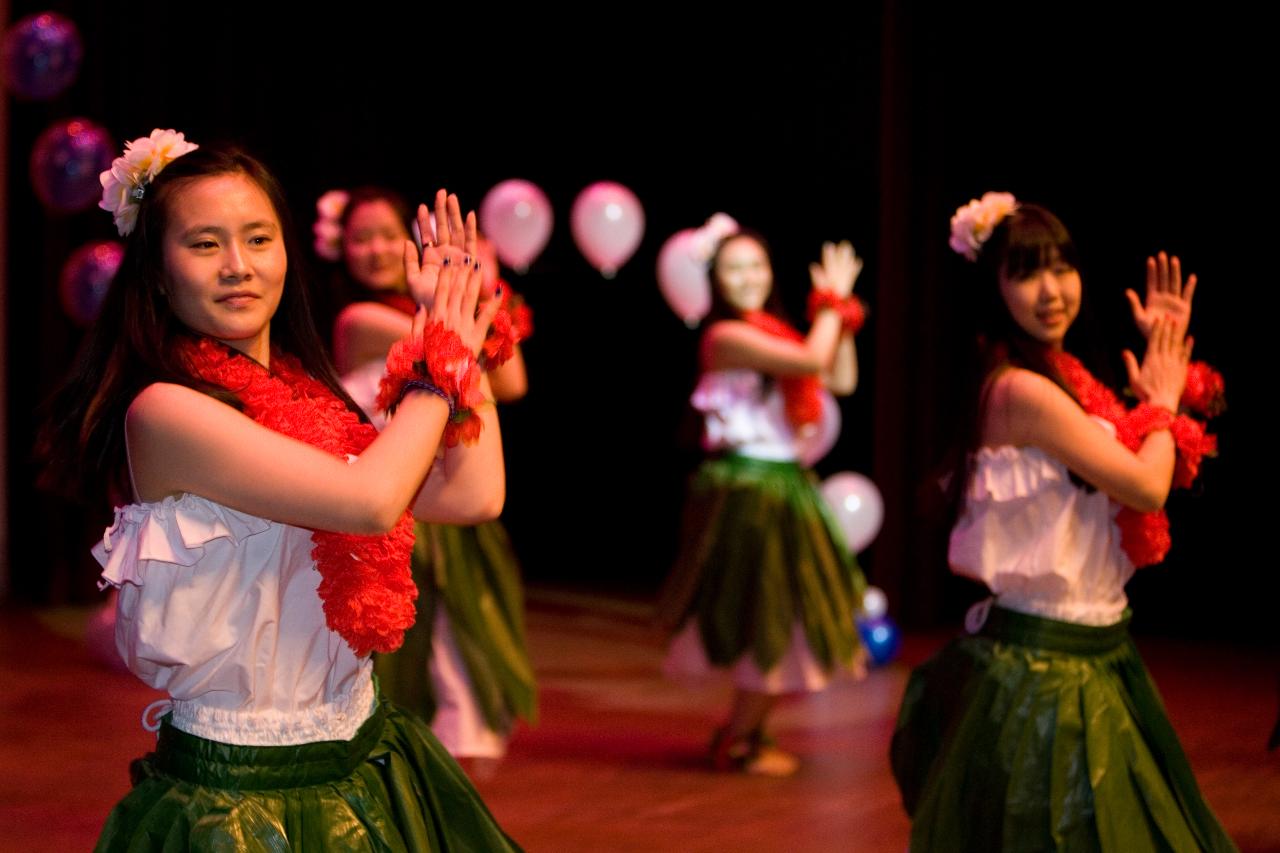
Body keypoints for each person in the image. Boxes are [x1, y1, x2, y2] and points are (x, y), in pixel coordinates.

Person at [38, 129, 520, 851]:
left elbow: (473, 495)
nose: (239, 266)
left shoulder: (311, 400)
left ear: (287, 254)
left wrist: (462, 335)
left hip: (364, 756)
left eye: (258, 238)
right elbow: (370, 501)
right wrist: (440, 357)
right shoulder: (166, 412)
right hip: (237, 798)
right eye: (205, 244)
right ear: (158, 274)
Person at [890, 192, 1234, 851]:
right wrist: (1163, 401)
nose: (1052, 290)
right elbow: (1143, 481)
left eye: (1062, 267)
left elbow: (1126, 453)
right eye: (1026, 272)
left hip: (1095, 653)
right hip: (1045, 674)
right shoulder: (1020, 389)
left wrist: (1166, 367)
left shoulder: (1068, 375)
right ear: (993, 289)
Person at [322, 186, 536, 764]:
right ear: (339, 249)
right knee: (404, 678)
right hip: (395, 511)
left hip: (455, 499)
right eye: (360, 238)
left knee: (465, 677)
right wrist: (459, 304)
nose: (375, 249)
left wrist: (478, 297)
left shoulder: (421, 310)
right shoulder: (358, 320)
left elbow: (511, 384)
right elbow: (446, 350)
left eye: (388, 234)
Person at [658, 224, 868, 776]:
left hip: (784, 486)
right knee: (768, 622)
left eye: (757, 266)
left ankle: (741, 732)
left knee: (789, 624)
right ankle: (739, 740)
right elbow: (809, 363)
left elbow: (839, 377)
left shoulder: (778, 332)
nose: (747, 278)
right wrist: (830, 306)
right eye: (734, 269)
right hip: (749, 492)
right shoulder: (722, 337)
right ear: (715, 282)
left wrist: (839, 314)